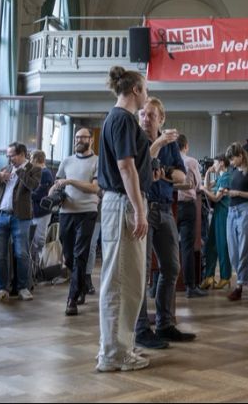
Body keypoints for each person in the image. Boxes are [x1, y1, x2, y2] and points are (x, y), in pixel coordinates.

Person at [96, 66, 151, 372]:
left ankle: (118, 346)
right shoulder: (121, 119)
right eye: (145, 89)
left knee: (128, 279)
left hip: (123, 202)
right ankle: (113, 354)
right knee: (120, 280)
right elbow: (126, 167)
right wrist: (139, 209)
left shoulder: (120, 119)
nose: (147, 95)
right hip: (123, 203)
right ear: (134, 90)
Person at [135, 97, 194, 347]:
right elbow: (137, 167)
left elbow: (182, 175)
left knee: (171, 267)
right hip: (142, 208)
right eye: (143, 114)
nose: (146, 118)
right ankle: (140, 330)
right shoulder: (135, 139)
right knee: (142, 271)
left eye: (151, 115)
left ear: (162, 118)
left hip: (165, 208)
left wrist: (167, 173)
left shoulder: (171, 146)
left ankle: (165, 324)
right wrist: (157, 144)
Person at [0, 142, 41, 303]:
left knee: (21, 253)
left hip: (20, 217)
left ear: (22, 154)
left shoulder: (34, 169)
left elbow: (32, 186)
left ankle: (23, 287)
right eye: (8, 156)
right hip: (0, 216)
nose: (9, 159)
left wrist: (21, 171)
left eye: (12, 156)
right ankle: (2, 289)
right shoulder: (6, 169)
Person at [54, 128, 100, 317]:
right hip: (66, 212)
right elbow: (58, 184)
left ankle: (71, 300)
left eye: (83, 137)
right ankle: (81, 286)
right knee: (68, 256)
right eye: (77, 137)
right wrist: (53, 191)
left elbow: (95, 188)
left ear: (91, 139)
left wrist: (71, 181)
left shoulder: (97, 161)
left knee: (81, 254)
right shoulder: (66, 161)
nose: (79, 140)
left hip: (87, 211)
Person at [225, 142, 248, 301]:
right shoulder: (232, 171)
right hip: (231, 212)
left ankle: (239, 286)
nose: (231, 162)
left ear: (241, 156)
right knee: (233, 251)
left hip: (246, 211)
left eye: (233, 159)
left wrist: (238, 192)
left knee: (244, 250)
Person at [176, 134, 207, 298]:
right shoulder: (191, 161)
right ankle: (190, 286)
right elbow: (197, 185)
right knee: (187, 247)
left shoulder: (168, 161)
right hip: (187, 205)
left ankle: (160, 282)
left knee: (167, 246)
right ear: (186, 146)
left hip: (171, 205)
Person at [201, 155, 232, 290]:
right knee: (210, 244)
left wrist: (203, 190)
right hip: (217, 214)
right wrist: (208, 172)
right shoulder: (220, 177)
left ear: (221, 163)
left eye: (215, 163)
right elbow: (208, 186)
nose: (213, 165)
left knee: (222, 245)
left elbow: (216, 198)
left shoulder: (226, 177)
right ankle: (209, 276)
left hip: (223, 214)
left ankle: (225, 276)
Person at [29, 150, 55, 258]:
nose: (30, 161)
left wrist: (26, 194)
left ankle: (41, 265)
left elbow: (40, 194)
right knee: (34, 240)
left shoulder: (45, 173)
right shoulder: (40, 173)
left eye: (31, 158)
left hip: (42, 212)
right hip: (36, 211)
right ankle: (35, 266)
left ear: (35, 159)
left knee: (39, 239)